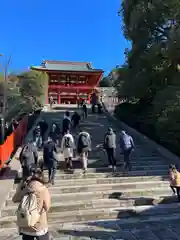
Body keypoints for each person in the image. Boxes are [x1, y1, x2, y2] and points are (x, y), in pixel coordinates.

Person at [12, 169, 51, 240]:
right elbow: (47, 207)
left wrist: (21, 184)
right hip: (39, 224)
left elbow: (14, 199)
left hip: (25, 223)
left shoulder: (25, 188)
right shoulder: (43, 189)